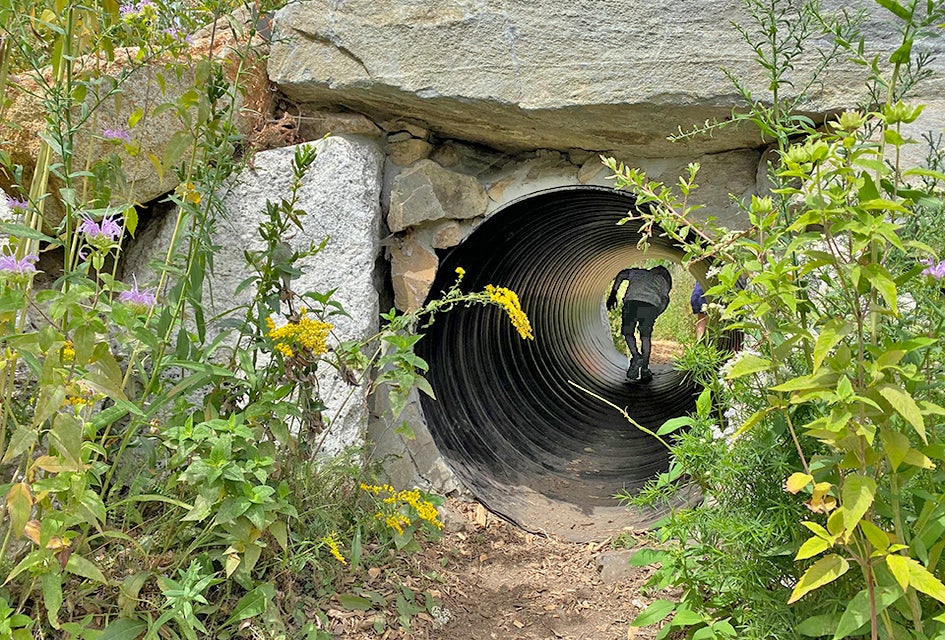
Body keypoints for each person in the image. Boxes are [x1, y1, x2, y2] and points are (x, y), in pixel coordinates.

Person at [606, 265, 672, 383]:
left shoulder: (637, 272)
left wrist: (613, 293)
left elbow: (622, 274)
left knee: (627, 332)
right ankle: (645, 369)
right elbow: (665, 300)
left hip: (631, 302)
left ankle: (636, 356)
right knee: (645, 337)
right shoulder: (662, 280)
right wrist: (656, 313)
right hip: (650, 306)